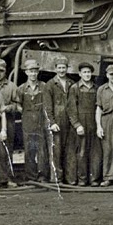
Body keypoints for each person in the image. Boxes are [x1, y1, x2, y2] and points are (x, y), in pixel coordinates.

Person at [68, 61, 101, 186]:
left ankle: (94, 179)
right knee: (81, 152)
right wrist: (77, 125)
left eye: (89, 72)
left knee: (95, 152)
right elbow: (71, 108)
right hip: (81, 123)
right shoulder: (75, 88)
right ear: (80, 74)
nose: (87, 74)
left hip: (93, 122)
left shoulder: (97, 88)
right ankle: (82, 179)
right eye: (84, 72)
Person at [16, 58, 48, 182]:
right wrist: (24, 113)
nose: (33, 74)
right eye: (31, 71)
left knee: (42, 149)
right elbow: (18, 104)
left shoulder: (44, 86)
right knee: (29, 148)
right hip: (28, 121)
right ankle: (31, 175)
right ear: (26, 72)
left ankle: (43, 175)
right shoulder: (21, 88)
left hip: (41, 119)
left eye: (35, 71)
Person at [44, 56, 74, 184]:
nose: (62, 70)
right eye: (59, 68)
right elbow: (47, 106)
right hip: (57, 120)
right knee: (56, 151)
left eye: (64, 68)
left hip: (69, 120)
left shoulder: (71, 83)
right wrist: (52, 122)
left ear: (67, 68)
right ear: (55, 69)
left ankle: (69, 178)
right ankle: (57, 179)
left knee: (69, 150)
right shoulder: (50, 85)